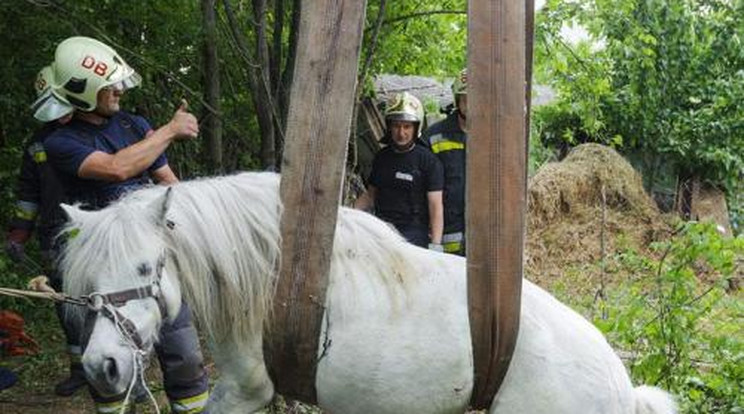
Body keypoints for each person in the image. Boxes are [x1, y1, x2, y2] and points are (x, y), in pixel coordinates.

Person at [42, 36, 209, 413]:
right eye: (109, 85)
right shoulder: (60, 142)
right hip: (103, 268)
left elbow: (167, 180)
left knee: (182, 349)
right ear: (84, 92)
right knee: (108, 366)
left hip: (152, 257)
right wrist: (168, 131)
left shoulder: (134, 125)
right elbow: (116, 169)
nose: (119, 90)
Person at [4, 65, 81, 396]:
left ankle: (121, 367)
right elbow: (29, 194)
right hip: (55, 238)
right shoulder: (38, 143)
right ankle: (80, 370)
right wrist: (18, 236)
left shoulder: (94, 132)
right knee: (66, 306)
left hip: (96, 234)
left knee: (107, 300)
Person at [355, 92, 444, 250]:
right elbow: (370, 195)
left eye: (407, 126)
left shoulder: (428, 161)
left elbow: (435, 205)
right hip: (382, 231)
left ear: (416, 127)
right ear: (389, 127)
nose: (401, 133)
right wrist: (348, 214)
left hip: (414, 235)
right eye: (396, 126)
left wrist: (436, 244)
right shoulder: (382, 157)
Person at [422, 68, 468, 255]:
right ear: (457, 100)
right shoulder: (434, 136)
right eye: (466, 98)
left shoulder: (494, 139)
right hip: (445, 239)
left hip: (484, 238)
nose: (472, 104)